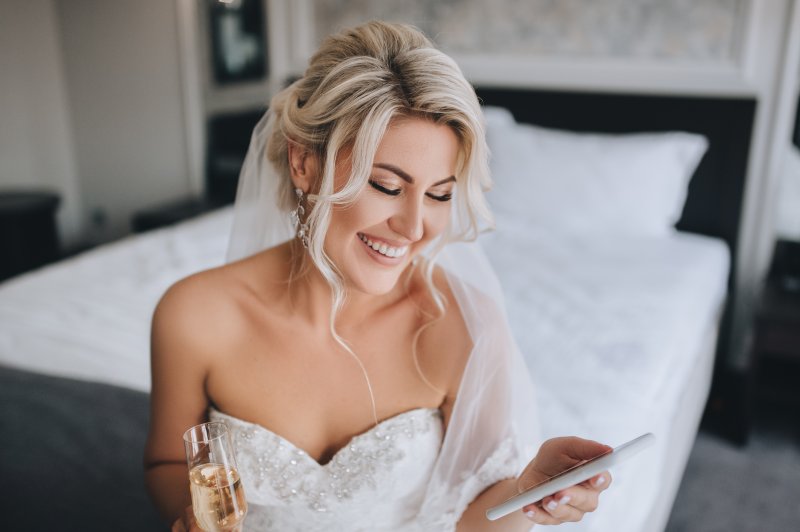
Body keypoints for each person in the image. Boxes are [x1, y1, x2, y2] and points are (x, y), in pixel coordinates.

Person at [144, 20, 612, 531]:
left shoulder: (464, 325)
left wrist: (526, 493)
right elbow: (168, 463)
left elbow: (472, 519)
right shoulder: (193, 314)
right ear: (303, 163)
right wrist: (188, 517)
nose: (414, 227)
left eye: (439, 194)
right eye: (387, 185)